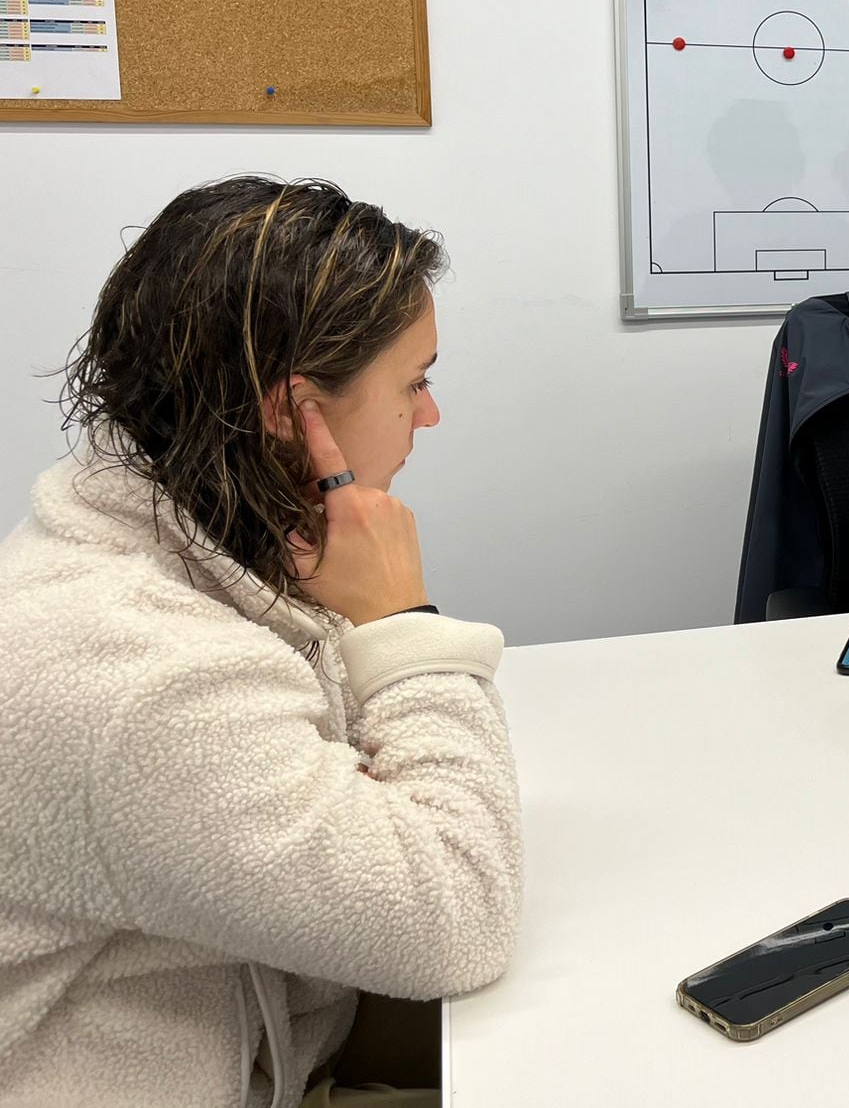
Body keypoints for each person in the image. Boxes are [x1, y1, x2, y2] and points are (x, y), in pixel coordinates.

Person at [0, 177, 523, 1105]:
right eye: (415, 381)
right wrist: (402, 623)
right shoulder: (140, 676)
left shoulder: (191, 529)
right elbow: (458, 916)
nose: (430, 415)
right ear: (293, 412)